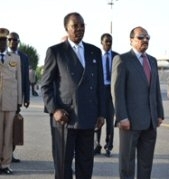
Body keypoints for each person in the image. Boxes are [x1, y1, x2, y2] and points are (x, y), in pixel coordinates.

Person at [40, 12, 106, 179]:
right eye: (75, 26)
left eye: (82, 25)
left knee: (85, 165)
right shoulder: (56, 52)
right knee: (63, 166)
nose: (79, 29)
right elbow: (45, 86)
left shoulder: (94, 51)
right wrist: (54, 110)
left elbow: (99, 85)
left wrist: (101, 113)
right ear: (66, 28)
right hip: (65, 118)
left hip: (88, 117)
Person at [111, 26, 164, 179]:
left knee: (146, 163)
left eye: (147, 37)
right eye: (141, 37)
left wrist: (159, 113)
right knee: (127, 162)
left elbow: (155, 90)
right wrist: (122, 117)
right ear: (131, 40)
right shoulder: (122, 60)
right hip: (130, 121)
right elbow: (117, 91)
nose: (145, 40)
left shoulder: (152, 61)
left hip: (150, 121)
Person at [0, 27, 22, 175]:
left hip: (10, 101)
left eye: (3, 40)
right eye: (0, 40)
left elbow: (18, 80)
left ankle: (5, 164)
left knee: (8, 136)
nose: (2, 43)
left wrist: (19, 101)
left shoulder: (15, 58)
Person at [94, 33, 118, 157]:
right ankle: (96, 145)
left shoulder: (117, 57)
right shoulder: (96, 56)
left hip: (111, 92)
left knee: (109, 120)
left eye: (110, 42)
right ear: (101, 42)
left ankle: (108, 146)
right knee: (98, 119)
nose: (108, 44)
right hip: (99, 90)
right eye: (106, 41)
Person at [7, 31, 30, 163]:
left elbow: (26, 78)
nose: (12, 42)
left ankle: (10, 154)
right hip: (3, 97)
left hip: (16, 99)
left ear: (18, 42)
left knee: (13, 126)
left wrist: (27, 97)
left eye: (15, 40)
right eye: (10, 39)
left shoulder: (24, 57)